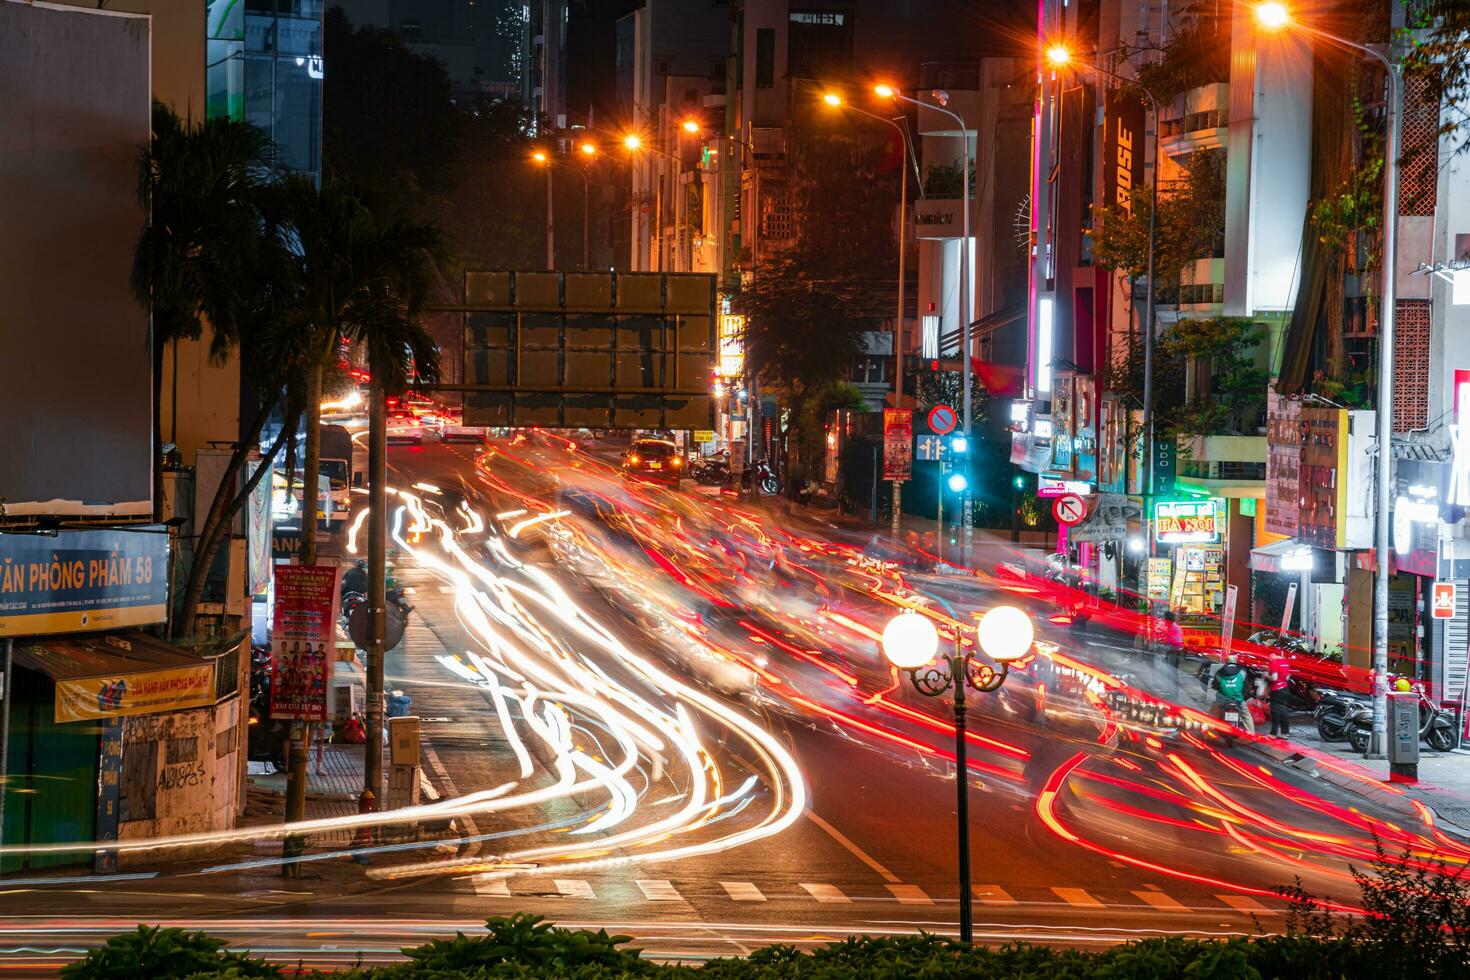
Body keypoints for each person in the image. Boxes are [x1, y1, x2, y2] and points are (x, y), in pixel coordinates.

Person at [1212, 653, 1254, 735]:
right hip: (1238, 700)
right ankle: (1251, 735)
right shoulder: (1242, 672)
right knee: (1247, 716)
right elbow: (1245, 686)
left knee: (1212, 715)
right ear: (1236, 661)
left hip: (1222, 700)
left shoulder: (1220, 672)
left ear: (1226, 661)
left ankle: (1208, 733)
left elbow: (1215, 685)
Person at [1268, 652, 1292, 737]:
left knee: (1275, 712)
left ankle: (1273, 733)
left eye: (1270, 655)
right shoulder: (1285, 662)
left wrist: (1265, 675)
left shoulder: (1274, 663)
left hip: (1277, 690)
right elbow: (1287, 677)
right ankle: (1285, 733)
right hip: (1285, 688)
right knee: (1283, 710)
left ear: (1274, 654)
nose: (1269, 657)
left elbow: (1274, 678)